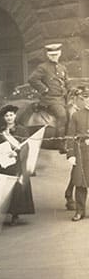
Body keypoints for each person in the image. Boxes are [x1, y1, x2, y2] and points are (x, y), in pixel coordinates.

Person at [0, 105, 35, 225]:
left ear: (15, 116)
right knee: (5, 188)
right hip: (5, 163)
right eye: (6, 115)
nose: (9, 118)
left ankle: (15, 214)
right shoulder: (1, 131)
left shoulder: (22, 130)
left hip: (17, 163)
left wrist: (16, 153)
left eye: (11, 115)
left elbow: (26, 146)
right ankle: (5, 212)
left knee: (17, 187)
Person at [29, 43, 69, 141]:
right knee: (62, 115)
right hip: (50, 99)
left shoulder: (62, 67)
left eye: (55, 55)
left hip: (63, 98)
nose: (54, 57)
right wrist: (44, 89)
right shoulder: (43, 67)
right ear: (48, 55)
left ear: (59, 54)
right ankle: (59, 141)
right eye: (52, 55)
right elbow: (32, 79)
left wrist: (72, 90)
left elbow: (67, 82)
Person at [66, 86, 89, 221]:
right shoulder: (76, 115)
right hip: (81, 153)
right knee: (80, 183)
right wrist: (71, 154)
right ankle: (80, 211)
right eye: (86, 98)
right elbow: (70, 135)